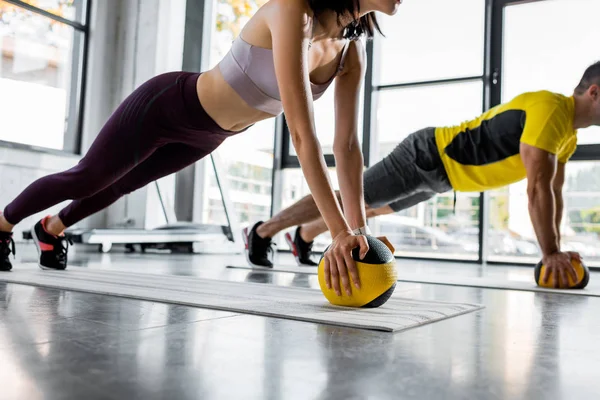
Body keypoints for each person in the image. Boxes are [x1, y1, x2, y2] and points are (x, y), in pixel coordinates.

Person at [0, 0, 402, 288]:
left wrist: (359, 230)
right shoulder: (293, 10)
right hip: (168, 105)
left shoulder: (352, 52)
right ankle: (3, 226)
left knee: (120, 184)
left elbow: (347, 146)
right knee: (88, 177)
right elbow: (302, 134)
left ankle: (50, 230)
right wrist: (337, 233)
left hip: (210, 135)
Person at [246, 61, 600, 289]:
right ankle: (262, 232)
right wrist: (550, 251)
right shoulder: (552, 110)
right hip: (428, 156)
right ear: (594, 92)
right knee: (351, 200)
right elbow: (538, 189)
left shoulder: (569, 134)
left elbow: (554, 193)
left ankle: (304, 235)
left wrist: (555, 249)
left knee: (368, 209)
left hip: (444, 178)